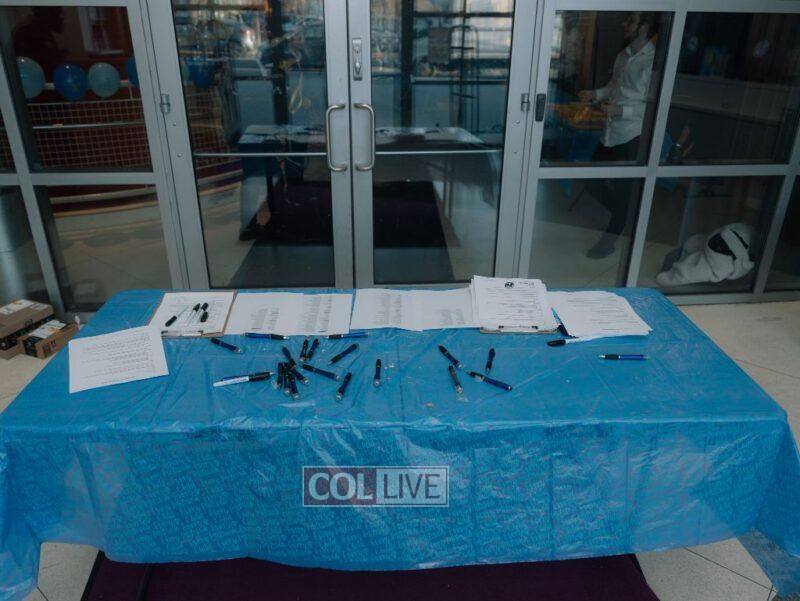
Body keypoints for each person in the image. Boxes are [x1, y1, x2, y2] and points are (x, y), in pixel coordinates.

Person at [578, 12, 658, 259]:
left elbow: (654, 107)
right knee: (591, 183)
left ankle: (609, 240)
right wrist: (594, 94)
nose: (624, 24)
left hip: (632, 136)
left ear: (644, 27)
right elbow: (613, 87)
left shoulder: (654, 63)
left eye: (630, 21)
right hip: (610, 132)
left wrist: (621, 110)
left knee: (623, 195)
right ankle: (626, 214)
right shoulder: (623, 55)